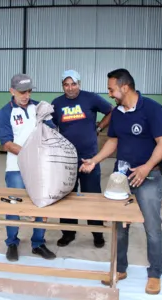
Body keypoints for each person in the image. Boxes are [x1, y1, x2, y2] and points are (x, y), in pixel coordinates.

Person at [79, 68, 162, 295]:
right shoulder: (118, 113)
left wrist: (147, 167)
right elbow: (112, 142)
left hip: (148, 176)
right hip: (122, 178)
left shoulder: (152, 109)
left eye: (111, 89)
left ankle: (155, 273)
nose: (109, 93)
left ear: (125, 87)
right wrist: (94, 160)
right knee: (119, 226)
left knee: (152, 227)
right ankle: (120, 268)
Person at [0, 74, 56, 262]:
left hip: (41, 167)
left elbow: (51, 131)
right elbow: (7, 143)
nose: (26, 95)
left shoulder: (39, 108)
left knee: (42, 203)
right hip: (16, 167)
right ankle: (12, 242)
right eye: (22, 92)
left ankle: (38, 243)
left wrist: (49, 120)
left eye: (29, 91)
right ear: (12, 91)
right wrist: (29, 154)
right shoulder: (5, 112)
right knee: (14, 204)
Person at [51, 70, 113, 248]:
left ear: (79, 83)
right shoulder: (57, 103)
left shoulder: (91, 98)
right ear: (63, 85)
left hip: (90, 158)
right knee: (67, 196)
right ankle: (68, 232)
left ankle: (97, 233)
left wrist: (100, 127)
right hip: (67, 159)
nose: (70, 88)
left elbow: (111, 111)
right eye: (66, 84)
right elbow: (52, 124)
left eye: (73, 84)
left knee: (92, 197)